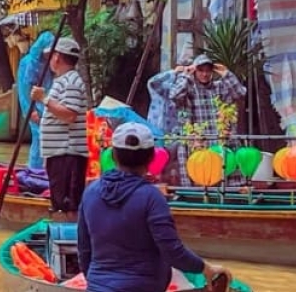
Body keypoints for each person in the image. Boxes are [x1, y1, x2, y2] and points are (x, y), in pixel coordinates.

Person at [78, 123, 232, 292]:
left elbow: (84, 251)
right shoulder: (151, 197)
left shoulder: (90, 193)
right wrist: (207, 269)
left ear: (113, 155)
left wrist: (97, 283)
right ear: (151, 157)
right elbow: (173, 252)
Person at [168, 54, 248, 187]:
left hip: (220, 139)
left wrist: (226, 74)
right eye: (201, 70)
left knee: (226, 176)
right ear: (195, 71)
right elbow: (174, 95)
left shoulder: (219, 87)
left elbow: (240, 93)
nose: (204, 74)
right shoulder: (188, 88)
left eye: (208, 70)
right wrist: (186, 75)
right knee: (198, 177)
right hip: (196, 142)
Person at [30, 37, 89, 215]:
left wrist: (44, 99)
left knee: (66, 205)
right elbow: (60, 116)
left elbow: (70, 115)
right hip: (59, 154)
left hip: (67, 155)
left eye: (51, 56)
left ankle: (68, 235)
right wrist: (42, 120)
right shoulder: (63, 80)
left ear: (57, 57)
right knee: (59, 201)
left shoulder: (71, 81)